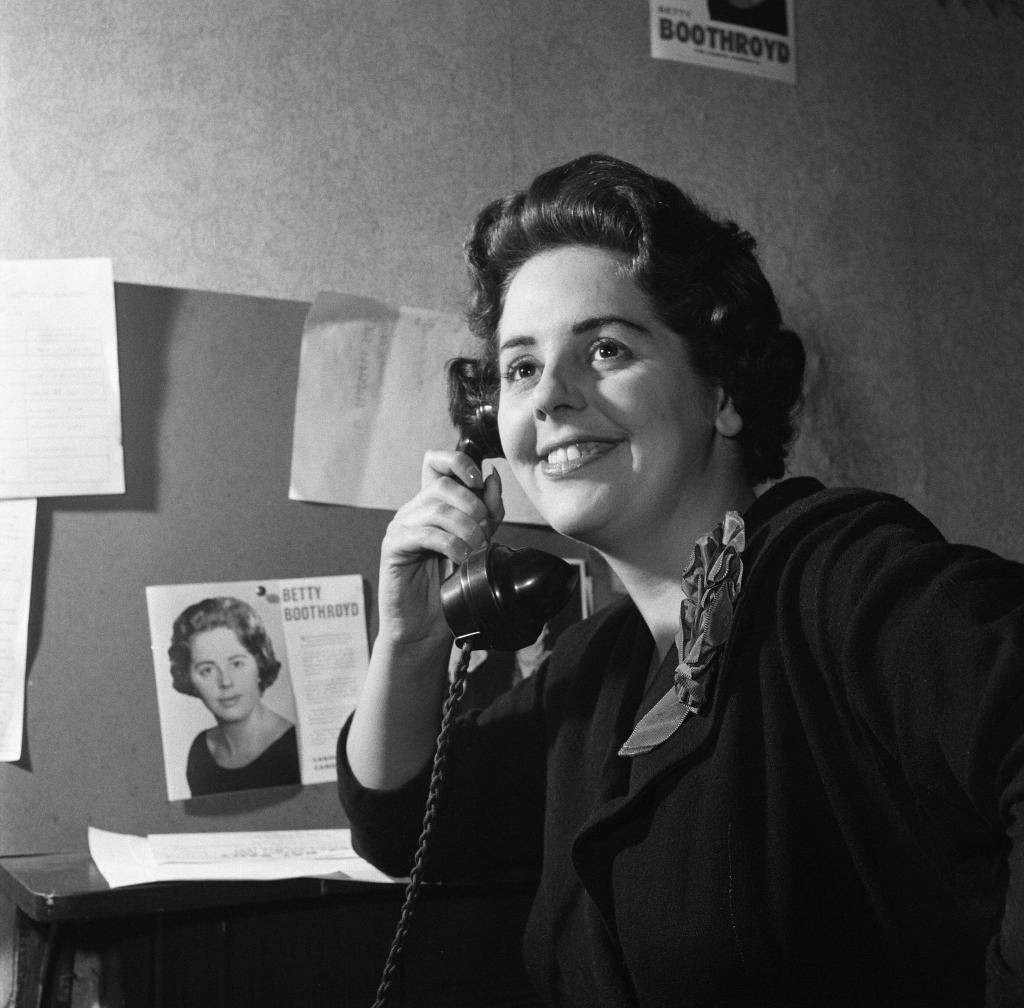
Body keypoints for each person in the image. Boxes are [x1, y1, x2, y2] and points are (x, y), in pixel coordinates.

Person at [337, 153, 1024, 1006]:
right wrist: (409, 641)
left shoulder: (835, 578)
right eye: (520, 367)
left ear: (723, 392)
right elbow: (404, 827)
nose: (550, 395)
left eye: (607, 349)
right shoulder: (597, 666)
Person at [169, 596, 300, 797]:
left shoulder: (296, 748)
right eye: (207, 670)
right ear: (189, 679)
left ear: (260, 663)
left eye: (237, 663)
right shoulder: (200, 751)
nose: (225, 681)